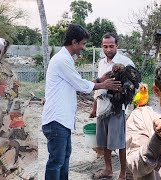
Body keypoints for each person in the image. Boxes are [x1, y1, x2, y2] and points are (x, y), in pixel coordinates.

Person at [42, 24, 121, 180]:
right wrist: (103, 85)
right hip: (56, 120)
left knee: (64, 159)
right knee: (56, 162)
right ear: (74, 42)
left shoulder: (66, 59)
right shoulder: (62, 60)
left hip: (62, 121)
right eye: (83, 43)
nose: (84, 47)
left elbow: (76, 82)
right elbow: (80, 85)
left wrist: (100, 79)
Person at [90, 32, 135, 180]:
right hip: (102, 106)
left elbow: (135, 85)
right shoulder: (101, 63)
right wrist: (94, 107)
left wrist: (123, 90)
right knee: (103, 141)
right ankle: (108, 169)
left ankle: (122, 173)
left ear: (117, 45)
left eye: (111, 46)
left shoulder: (126, 61)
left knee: (120, 142)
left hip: (117, 107)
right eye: (105, 46)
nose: (108, 49)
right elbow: (99, 86)